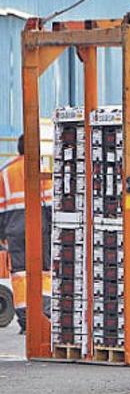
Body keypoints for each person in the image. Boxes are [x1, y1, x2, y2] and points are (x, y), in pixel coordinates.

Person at [0, 135, 52, 333]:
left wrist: (1, 234)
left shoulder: (5, 172)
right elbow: (49, 203)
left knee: (20, 273)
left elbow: (0, 207)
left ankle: (26, 318)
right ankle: (44, 313)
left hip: (13, 229)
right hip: (39, 226)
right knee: (43, 270)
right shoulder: (42, 170)